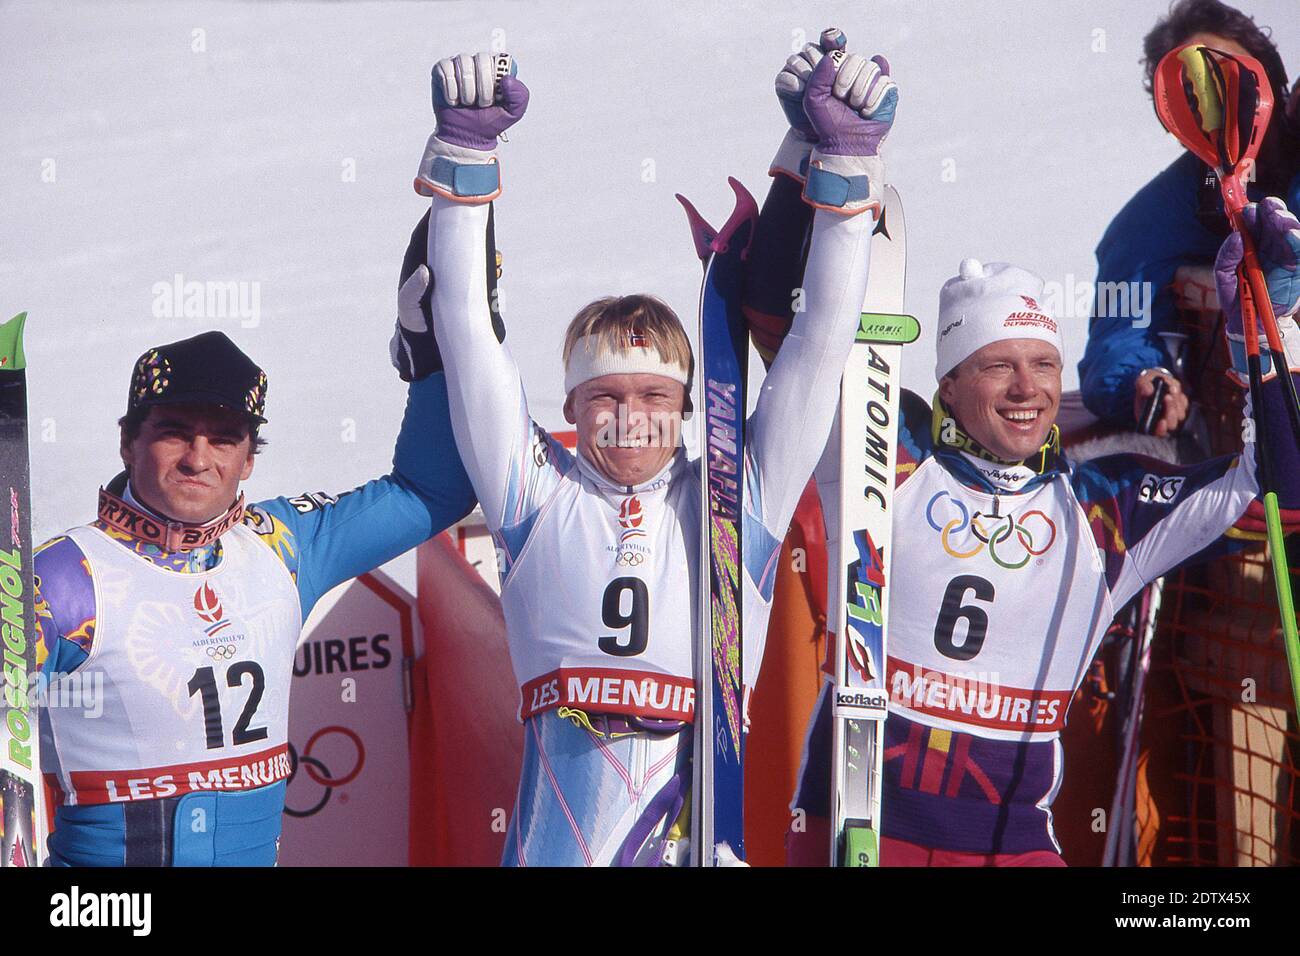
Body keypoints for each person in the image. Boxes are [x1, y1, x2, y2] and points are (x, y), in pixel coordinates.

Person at [398, 37, 896, 865]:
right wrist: (464, 158)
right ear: (570, 408)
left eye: (656, 398)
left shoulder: (738, 503)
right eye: (606, 398)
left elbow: (819, 346)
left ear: (690, 407)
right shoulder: (532, 493)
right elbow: (470, 335)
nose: (630, 418)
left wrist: (849, 172)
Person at [782, 197, 1300, 865]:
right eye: (998, 365)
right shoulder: (892, 456)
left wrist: (1264, 331)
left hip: (1010, 845)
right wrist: (830, 186)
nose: (1026, 388)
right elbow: (801, 349)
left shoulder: (1108, 508)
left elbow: (1279, 475)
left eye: (1044, 364)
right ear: (949, 382)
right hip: (858, 829)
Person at [34, 275, 482, 865]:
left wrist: (431, 356)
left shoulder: (282, 544)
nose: (198, 459)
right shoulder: (66, 576)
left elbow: (433, 490)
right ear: (127, 441)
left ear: (248, 459)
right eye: (173, 433)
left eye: (223, 440)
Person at [1077, 0, 1300, 434]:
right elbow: (1122, 321)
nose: (1216, 95)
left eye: (1227, 73)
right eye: (1193, 87)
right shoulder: (1158, 214)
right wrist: (1139, 380)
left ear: (1269, 71)